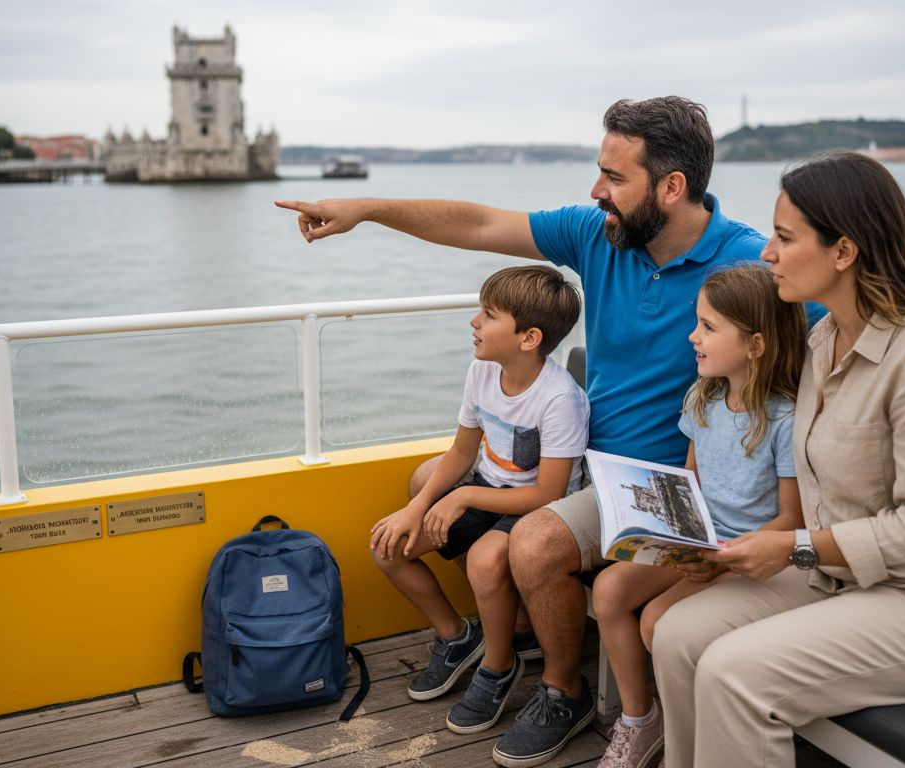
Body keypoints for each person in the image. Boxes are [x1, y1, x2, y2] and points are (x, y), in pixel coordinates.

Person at [278, 96, 824, 768]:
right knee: (430, 479)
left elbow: (838, 327)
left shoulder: (748, 270)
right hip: (591, 465)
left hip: (665, 485)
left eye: (615, 177)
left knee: (534, 544)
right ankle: (500, 636)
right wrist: (368, 211)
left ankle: (562, 690)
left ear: (671, 187)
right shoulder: (600, 234)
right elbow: (478, 224)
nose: (597, 191)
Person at [650, 151, 905, 768]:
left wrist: (791, 546)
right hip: (846, 577)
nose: (766, 254)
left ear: (844, 252)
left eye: (783, 237)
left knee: (734, 673)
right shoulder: (824, 340)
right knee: (677, 636)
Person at [589, 263, 806, 768]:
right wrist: (655, 522)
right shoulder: (703, 397)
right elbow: (690, 488)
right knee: (609, 591)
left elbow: (791, 519)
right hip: (700, 541)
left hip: (747, 556)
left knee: (659, 622)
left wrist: (717, 556)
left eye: (708, 327)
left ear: (754, 344)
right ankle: (642, 720)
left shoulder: (784, 418)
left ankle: (690, 735)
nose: (693, 336)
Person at [369, 264, 590, 736]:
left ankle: (497, 666)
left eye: (488, 315)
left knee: (486, 559)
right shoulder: (481, 371)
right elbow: (462, 451)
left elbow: (548, 493)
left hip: (537, 508)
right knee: (388, 548)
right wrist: (417, 508)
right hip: (490, 490)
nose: (474, 322)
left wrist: (465, 495)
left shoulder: (559, 399)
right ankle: (457, 636)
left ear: (528, 338)